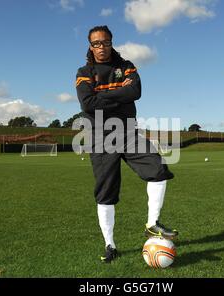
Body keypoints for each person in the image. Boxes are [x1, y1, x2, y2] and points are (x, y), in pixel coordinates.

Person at [75, 25, 178, 263]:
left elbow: (136, 91)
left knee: (158, 170)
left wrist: (104, 97)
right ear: (90, 46)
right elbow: (87, 104)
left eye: (105, 42)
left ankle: (152, 225)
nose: (101, 47)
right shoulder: (84, 71)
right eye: (96, 43)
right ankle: (110, 244)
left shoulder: (126, 66)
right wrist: (119, 96)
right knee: (106, 192)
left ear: (112, 42)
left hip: (128, 132)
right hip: (101, 136)